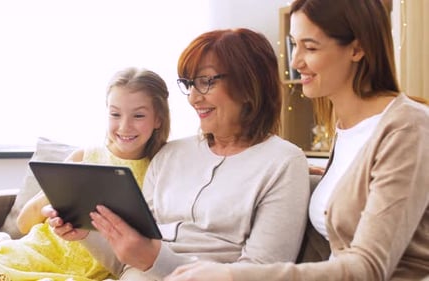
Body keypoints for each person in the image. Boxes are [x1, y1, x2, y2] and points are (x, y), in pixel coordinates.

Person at [164, 0, 429, 280]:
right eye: (294, 44)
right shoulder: (346, 127)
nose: (295, 61)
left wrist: (231, 276)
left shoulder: (407, 127)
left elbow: (368, 268)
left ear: (357, 48)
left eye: (311, 47)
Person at [44, 28, 311, 281]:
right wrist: (86, 235)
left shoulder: (284, 163)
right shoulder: (170, 154)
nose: (193, 98)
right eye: (189, 84)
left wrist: (155, 259)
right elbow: (126, 262)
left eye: (205, 82)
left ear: (249, 85)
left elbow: (261, 274)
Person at [0, 66, 171, 281]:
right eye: (115, 114)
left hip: (98, 263)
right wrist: (61, 196)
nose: (124, 126)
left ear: (158, 119)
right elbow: (24, 222)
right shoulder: (85, 157)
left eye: (138, 116)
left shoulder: (161, 167)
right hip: (47, 248)